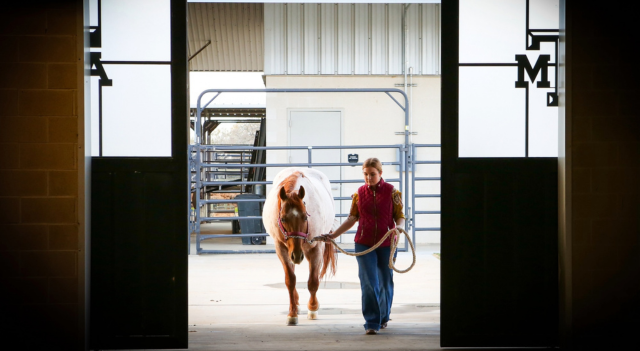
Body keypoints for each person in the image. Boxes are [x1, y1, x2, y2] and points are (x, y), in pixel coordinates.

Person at [322, 157, 405, 335]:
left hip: (387, 243)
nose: (368, 178)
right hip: (363, 243)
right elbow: (352, 218)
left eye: (372, 174)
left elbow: (400, 216)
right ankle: (372, 322)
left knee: (385, 281)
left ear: (380, 173)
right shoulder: (359, 194)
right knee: (368, 282)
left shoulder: (393, 193)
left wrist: (399, 228)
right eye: (365, 174)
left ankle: (383, 317)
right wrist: (333, 235)